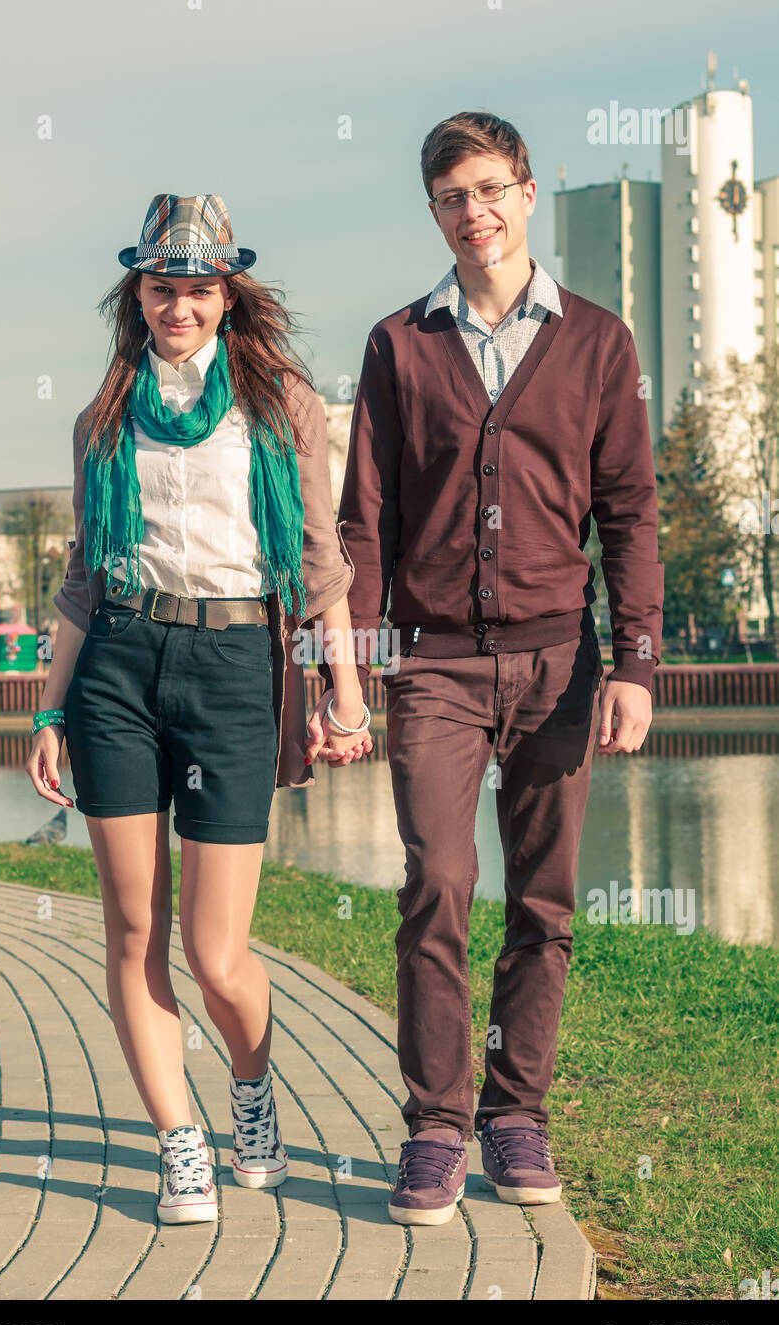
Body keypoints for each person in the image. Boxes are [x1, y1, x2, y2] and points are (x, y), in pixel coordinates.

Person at [312, 112, 664, 1225]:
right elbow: (362, 521)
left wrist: (635, 661)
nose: (474, 213)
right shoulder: (397, 344)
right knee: (436, 885)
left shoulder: (598, 343)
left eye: (489, 189)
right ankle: (433, 1125)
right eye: (450, 197)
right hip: (433, 670)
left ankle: (517, 1114)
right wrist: (348, 674)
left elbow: (628, 512)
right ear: (434, 213)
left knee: (544, 901)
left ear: (525, 190)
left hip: (560, 662)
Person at [26, 193, 372, 1225]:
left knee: (216, 953)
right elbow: (84, 579)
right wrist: (49, 711)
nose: (177, 304)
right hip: (119, 664)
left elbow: (319, 566)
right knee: (132, 925)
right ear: (137, 293)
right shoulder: (102, 418)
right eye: (161, 286)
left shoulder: (281, 406)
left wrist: (344, 695)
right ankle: (181, 1144)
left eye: (196, 287)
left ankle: (250, 1082)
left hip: (231, 665)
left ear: (227, 294)